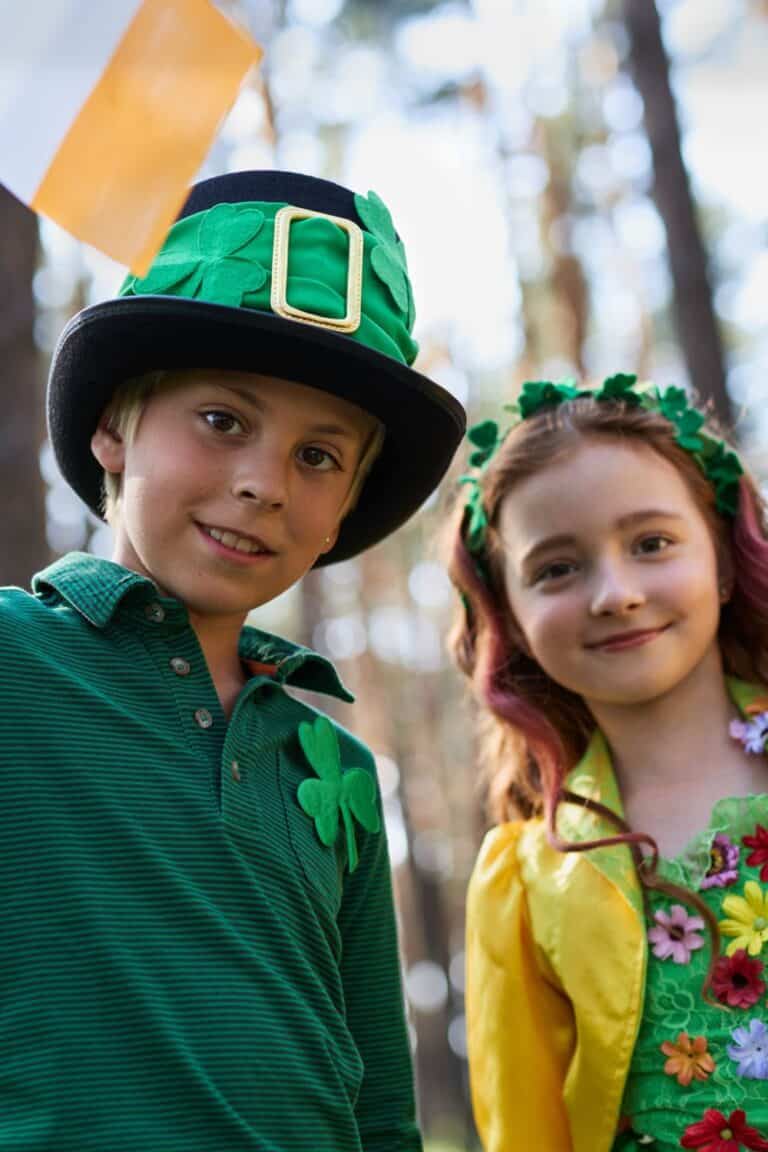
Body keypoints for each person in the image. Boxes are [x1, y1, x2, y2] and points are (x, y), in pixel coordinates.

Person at [0, 170, 465, 1151]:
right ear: (114, 427)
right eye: (222, 421)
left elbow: (381, 1100)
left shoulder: (334, 765)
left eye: (319, 456)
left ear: (346, 505)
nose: (262, 483)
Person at [448, 374, 768, 1152]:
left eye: (652, 544)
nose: (616, 593)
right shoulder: (526, 880)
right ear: (513, 622)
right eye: (557, 568)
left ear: (723, 561)